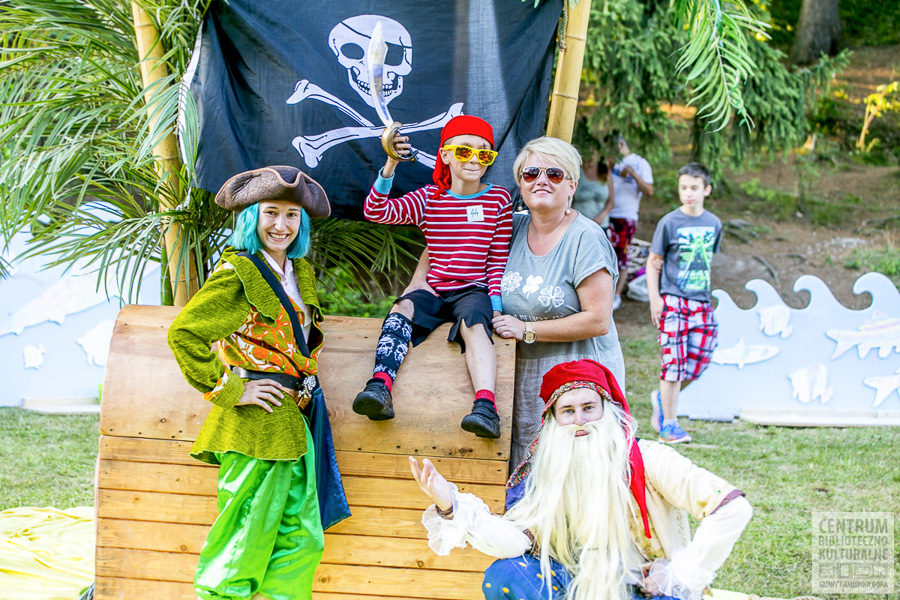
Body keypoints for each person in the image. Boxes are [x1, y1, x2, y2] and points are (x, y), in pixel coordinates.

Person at [409, 359, 752, 600]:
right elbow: (515, 543)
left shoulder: (649, 459)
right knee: (506, 576)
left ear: (606, 410)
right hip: (575, 587)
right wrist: (451, 507)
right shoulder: (543, 473)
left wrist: (678, 574)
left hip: (646, 591)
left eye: (589, 408)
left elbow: (732, 508)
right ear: (553, 421)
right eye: (568, 411)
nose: (580, 421)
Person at [168, 166, 349, 600]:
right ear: (252, 217)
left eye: (291, 215)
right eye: (271, 212)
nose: (281, 225)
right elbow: (184, 334)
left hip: (293, 424)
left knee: (300, 542)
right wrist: (234, 389)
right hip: (254, 426)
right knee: (242, 544)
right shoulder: (239, 272)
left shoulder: (299, 272)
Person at [405, 136, 624, 468]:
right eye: (531, 173)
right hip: (522, 379)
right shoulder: (511, 225)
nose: (541, 181)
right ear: (521, 184)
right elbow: (449, 236)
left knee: (576, 473)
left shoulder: (586, 237)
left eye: (554, 174)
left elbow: (597, 320)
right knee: (527, 475)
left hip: (579, 383)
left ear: (572, 186)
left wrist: (527, 330)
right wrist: (418, 283)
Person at [352, 115, 513, 439]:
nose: (475, 159)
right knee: (401, 308)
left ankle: (486, 407)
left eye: (484, 154)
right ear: (446, 155)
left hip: (473, 290)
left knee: (474, 324)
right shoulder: (428, 198)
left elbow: (497, 260)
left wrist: (495, 307)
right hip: (435, 288)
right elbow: (375, 211)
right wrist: (390, 164)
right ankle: (380, 387)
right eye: (465, 151)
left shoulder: (498, 199)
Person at [646, 163, 722, 444]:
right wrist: (655, 299)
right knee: (673, 364)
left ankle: (662, 398)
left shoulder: (714, 223)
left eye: (694, 188)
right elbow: (654, 263)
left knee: (699, 362)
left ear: (706, 190)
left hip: (701, 303)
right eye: (683, 188)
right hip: (673, 302)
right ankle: (670, 425)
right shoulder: (669, 222)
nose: (688, 193)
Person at [607, 135, 654, 311]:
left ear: (620, 144)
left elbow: (649, 190)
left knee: (621, 256)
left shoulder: (640, 163)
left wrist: (633, 174)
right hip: (604, 215)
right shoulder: (609, 162)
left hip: (625, 216)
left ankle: (616, 295)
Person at [571, 157, 614, 229]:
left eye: (593, 153)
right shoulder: (576, 172)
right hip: (578, 225)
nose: (590, 157)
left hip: (600, 225)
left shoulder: (605, 172)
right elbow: (569, 199)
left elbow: (611, 201)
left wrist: (602, 215)